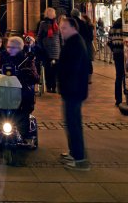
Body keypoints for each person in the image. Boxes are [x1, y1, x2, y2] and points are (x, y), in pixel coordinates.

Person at [0, 36, 39, 138]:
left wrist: (28, 74)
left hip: (19, 87)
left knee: (26, 100)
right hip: (2, 86)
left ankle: (24, 132)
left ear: (20, 48)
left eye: (13, 47)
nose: (10, 49)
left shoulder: (26, 58)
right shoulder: (2, 56)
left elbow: (35, 76)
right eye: (8, 47)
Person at [57, 16, 90, 171]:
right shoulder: (73, 42)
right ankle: (74, 152)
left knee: (74, 124)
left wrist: (67, 87)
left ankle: (79, 158)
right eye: (60, 28)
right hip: (72, 91)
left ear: (73, 28)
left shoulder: (75, 44)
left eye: (64, 28)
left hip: (73, 91)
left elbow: (73, 70)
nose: (61, 31)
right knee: (71, 123)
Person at [36, 7, 62, 93]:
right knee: (48, 69)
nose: (52, 14)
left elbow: (60, 36)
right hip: (46, 50)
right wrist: (41, 47)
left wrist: (61, 46)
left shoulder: (56, 23)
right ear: (47, 14)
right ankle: (49, 86)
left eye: (52, 13)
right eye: (50, 13)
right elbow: (39, 37)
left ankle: (54, 87)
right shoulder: (43, 24)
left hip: (56, 50)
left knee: (55, 69)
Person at [73, 10, 95, 82]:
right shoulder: (84, 24)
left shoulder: (76, 23)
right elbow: (90, 37)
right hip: (85, 45)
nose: (81, 19)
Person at [108, 17, 125, 107]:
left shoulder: (112, 29)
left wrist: (114, 49)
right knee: (126, 75)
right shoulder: (125, 27)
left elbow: (109, 42)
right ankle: (127, 93)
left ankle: (118, 99)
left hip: (117, 54)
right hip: (125, 54)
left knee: (118, 76)